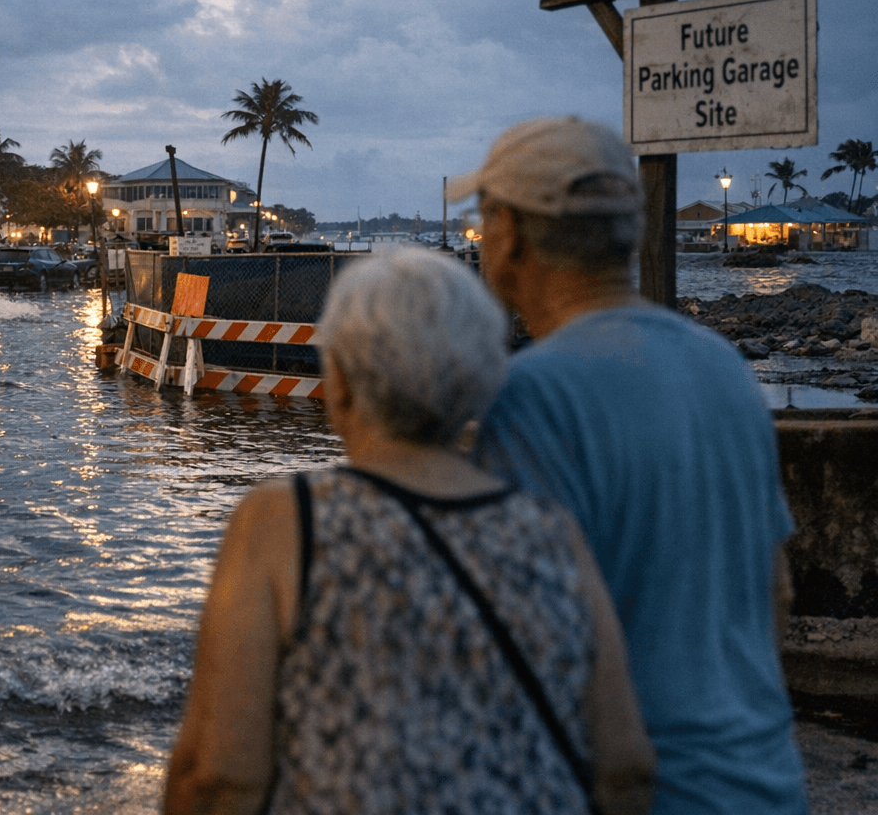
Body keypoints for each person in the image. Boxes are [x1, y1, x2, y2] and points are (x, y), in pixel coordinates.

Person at [164, 249, 654, 815]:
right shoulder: (552, 533)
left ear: (341, 381)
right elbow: (625, 766)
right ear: (484, 380)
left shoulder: (284, 522)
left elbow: (219, 776)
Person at [450, 116, 804, 814]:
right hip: (764, 780)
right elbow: (777, 589)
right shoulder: (723, 368)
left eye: (482, 217)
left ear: (510, 232)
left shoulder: (531, 398)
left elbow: (527, 643)